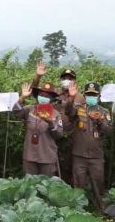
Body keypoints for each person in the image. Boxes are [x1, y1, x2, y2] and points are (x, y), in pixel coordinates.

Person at [32, 62, 85, 184]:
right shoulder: (55, 93)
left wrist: (71, 98)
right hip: (51, 134)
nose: (66, 80)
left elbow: (72, 114)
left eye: (70, 78)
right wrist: (38, 76)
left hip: (69, 138)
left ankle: (66, 194)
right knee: (51, 167)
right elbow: (35, 92)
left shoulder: (79, 97)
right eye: (64, 78)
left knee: (67, 167)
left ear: (74, 81)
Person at [66, 82, 112, 210]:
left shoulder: (104, 111)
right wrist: (71, 98)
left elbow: (109, 131)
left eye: (94, 95)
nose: (91, 97)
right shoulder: (79, 109)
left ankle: (101, 211)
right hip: (79, 155)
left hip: (96, 157)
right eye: (89, 95)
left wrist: (99, 121)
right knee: (78, 186)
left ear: (98, 96)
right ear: (85, 96)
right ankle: (77, 212)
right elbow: (68, 112)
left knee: (99, 186)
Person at [13, 82, 63, 176]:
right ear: (37, 96)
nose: (43, 97)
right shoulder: (30, 109)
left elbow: (59, 135)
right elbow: (15, 112)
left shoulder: (56, 114)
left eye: (47, 96)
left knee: (46, 186)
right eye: (41, 95)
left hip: (47, 157)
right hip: (30, 156)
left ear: (51, 99)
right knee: (30, 186)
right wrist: (22, 97)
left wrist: (51, 124)